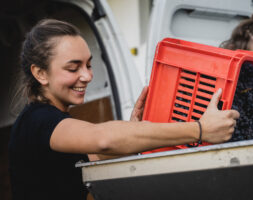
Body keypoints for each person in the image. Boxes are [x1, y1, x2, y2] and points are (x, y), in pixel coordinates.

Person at [9, 19, 239, 200]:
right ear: (40, 73)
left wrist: (133, 131)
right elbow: (103, 140)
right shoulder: (38, 120)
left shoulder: (48, 121)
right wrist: (200, 129)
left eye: (88, 65)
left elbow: (95, 155)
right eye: (73, 68)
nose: (87, 76)